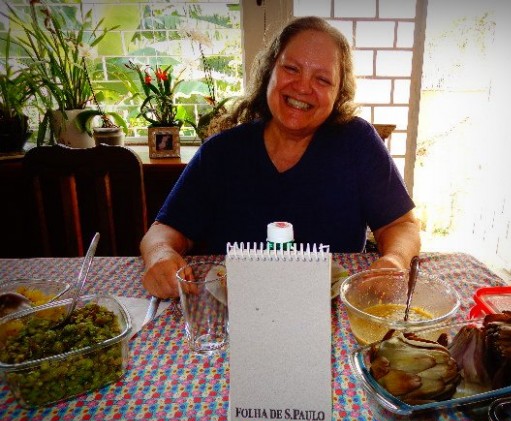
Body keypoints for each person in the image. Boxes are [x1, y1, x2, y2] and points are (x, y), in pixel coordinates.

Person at [140, 16, 421, 299]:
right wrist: (160, 254)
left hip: (330, 314)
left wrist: (395, 260)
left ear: (339, 93)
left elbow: (401, 225)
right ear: (269, 71)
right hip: (231, 315)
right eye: (291, 68)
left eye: (322, 79)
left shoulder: (357, 142)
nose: (302, 87)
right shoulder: (221, 152)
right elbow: (163, 231)